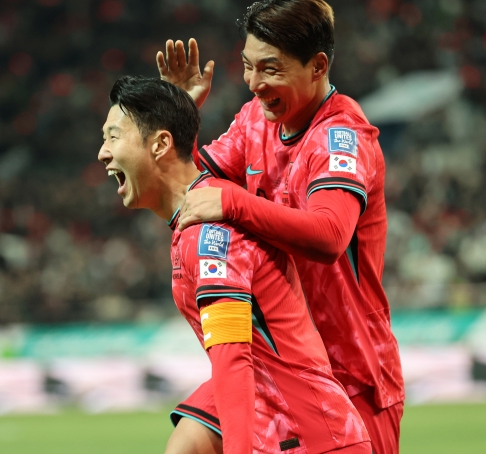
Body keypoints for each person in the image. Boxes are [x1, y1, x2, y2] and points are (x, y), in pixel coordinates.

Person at [155, 1, 405, 453]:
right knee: (186, 446)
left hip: (348, 371)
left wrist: (234, 201)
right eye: (248, 67)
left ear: (318, 66)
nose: (253, 83)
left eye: (270, 69)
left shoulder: (340, 138)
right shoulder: (255, 118)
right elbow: (192, 188)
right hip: (276, 361)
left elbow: (330, 236)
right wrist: (181, 119)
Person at [98, 75, 371, 453]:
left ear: (160, 144)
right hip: (293, 430)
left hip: (307, 439)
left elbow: (233, 361)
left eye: (113, 137)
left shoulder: (210, 230)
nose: (103, 152)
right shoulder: (195, 215)